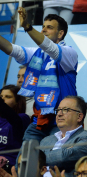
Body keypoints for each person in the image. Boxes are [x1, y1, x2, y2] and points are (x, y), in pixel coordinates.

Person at [0, 10, 77, 143]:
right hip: (39, 119)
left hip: (63, 118)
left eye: (49, 27)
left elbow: (50, 48)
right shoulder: (37, 54)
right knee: (25, 158)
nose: (43, 30)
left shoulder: (69, 53)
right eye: (43, 27)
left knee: (52, 160)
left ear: (60, 33)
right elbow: (10, 49)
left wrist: (28, 27)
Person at [40, 96, 87, 175]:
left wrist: (39, 159)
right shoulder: (46, 140)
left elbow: (63, 157)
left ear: (79, 117)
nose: (59, 114)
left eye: (65, 110)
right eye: (58, 110)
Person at [0, 85, 30, 170]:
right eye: (1, 96)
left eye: (8, 97)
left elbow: (13, 119)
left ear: (17, 101)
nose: (3, 99)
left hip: (10, 166)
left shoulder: (23, 118)